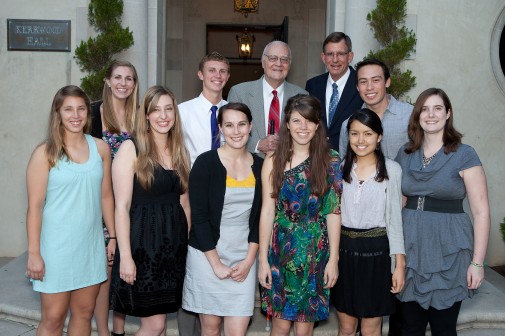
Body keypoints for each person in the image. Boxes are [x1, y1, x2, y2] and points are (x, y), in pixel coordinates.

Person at [395, 88, 490, 335]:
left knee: (443, 328)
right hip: (411, 248)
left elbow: (481, 212)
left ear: (448, 114)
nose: (431, 115)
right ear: (417, 116)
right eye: (424, 109)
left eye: (438, 108)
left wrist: (477, 263)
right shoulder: (405, 154)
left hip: (449, 249)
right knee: (410, 327)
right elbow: (398, 204)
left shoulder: (465, 154)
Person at [25, 85, 114, 335]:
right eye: (68, 109)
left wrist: (113, 238)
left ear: (88, 112)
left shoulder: (100, 148)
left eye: (81, 109)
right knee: (53, 319)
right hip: (56, 249)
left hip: (90, 246)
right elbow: (34, 207)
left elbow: (106, 196)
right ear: (58, 113)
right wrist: (34, 253)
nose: (75, 115)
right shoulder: (45, 153)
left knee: (84, 314)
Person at [109, 85, 191, 335]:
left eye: (168, 109)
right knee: (154, 325)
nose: (163, 116)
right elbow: (121, 207)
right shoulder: (130, 148)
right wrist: (126, 257)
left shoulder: (179, 150)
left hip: (172, 251)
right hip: (142, 247)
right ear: (145, 115)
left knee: (161, 324)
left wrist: (185, 248)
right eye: (156, 110)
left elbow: (184, 204)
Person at [258, 94, 341, 336]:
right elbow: (267, 210)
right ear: (287, 124)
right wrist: (263, 259)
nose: (302, 127)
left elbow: (333, 211)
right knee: (280, 325)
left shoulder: (331, 160)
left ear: (317, 125)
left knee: (304, 328)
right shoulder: (273, 160)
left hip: (316, 249)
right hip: (280, 248)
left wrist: (333, 259)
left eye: (308, 121)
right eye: (296, 121)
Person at [182, 103, 263, 335]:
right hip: (207, 253)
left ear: (250, 127)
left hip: (243, 253)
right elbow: (198, 216)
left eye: (241, 125)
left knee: (237, 331)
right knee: (211, 327)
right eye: (229, 125)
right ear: (220, 128)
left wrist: (249, 260)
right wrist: (215, 262)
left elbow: (260, 218)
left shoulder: (261, 165)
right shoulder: (205, 163)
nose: (236, 131)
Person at [334, 108, 405, 336]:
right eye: (354, 134)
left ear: (379, 136)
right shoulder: (338, 168)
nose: (360, 140)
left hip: (377, 255)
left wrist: (399, 265)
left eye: (368, 133)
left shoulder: (392, 170)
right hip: (344, 252)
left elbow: (395, 221)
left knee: (371, 328)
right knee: (346, 327)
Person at [90, 59, 139, 336]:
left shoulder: (140, 116)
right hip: (100, 203)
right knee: (105, 270)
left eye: (129, 78)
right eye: (118, 77)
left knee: (124, 263)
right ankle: (104, 330)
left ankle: (119, 327)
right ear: (108, 80)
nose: (123, 83)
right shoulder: (93, 114)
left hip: (132, 204)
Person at [228, 40, 307, 156]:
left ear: (289, 64)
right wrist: (257, 144)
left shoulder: (302, 95)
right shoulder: (239, 93)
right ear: (262, 62)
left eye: (284, 59)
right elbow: (230, 132)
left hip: (289, 167)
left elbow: (306, 134)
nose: (278, 64)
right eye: (273, 58)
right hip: (248, 167)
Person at [339, 59, 412, 159]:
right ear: (357, 87)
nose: (369, 87)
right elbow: (345, 164)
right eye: (363, 82)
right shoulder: (348, 125)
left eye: (376, 80)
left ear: (387, 82)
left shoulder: (410, 115)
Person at [305, 32, 363, 151]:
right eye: (330, 54)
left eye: (341, 54)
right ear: (323, 57)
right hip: (317, 159)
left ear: (350, 56)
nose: (335, 60)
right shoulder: (313, 85)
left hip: (350, 160)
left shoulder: (361, 84)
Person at [179, 51, 230, 166]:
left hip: (228, 180)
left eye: (222, 71)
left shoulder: (233, 112)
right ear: (200, 75)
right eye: (212, 70)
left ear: (227, 77)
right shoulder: (183, 111)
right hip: (194, 179)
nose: (218, 75)